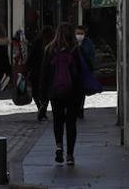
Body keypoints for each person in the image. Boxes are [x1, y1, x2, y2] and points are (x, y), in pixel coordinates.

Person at [42, 22, 83, 166]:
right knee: (71, 122)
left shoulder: (49, 49)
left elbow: (45, 74)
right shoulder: (75, 50)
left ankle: (59, 146)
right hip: (72, 92)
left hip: (55, 92)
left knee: (57, 120)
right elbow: (80, 73)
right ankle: (70, 155)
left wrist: (44, 95)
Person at [27, 26, 55, 122]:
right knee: (46, 92)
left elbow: (31, 57)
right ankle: (43, 109)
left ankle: (40, 108)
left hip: (36, 71)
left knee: (36, 92)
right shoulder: (53, 44)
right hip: (47, 71)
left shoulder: (37, 42)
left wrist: (27, 69)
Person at [75, 24, 96, 120]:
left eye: (81, 33)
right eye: (78, 33)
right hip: (74, 72)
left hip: (84, 71)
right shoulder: (72, 43)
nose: (79, 35)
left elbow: (91, 56)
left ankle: (80, 110)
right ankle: (76, 109)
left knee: (81, 92)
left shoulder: (88, 43)